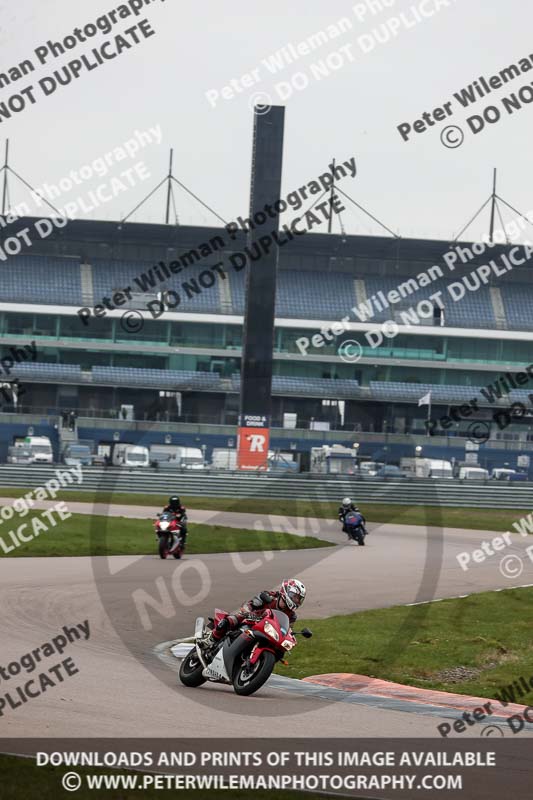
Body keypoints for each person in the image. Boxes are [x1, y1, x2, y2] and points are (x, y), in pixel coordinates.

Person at [204, 579, 306, 647]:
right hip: (251, 618)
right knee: (232, 620)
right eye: (295, 597)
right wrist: (247, 613)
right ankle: (211, 639)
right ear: (286, 591)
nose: (297, 601)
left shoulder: (292, 616)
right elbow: (251, 604)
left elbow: (287, 630)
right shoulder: (270, 596)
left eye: (299, 599)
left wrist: (291, 637)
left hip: (266, 630)